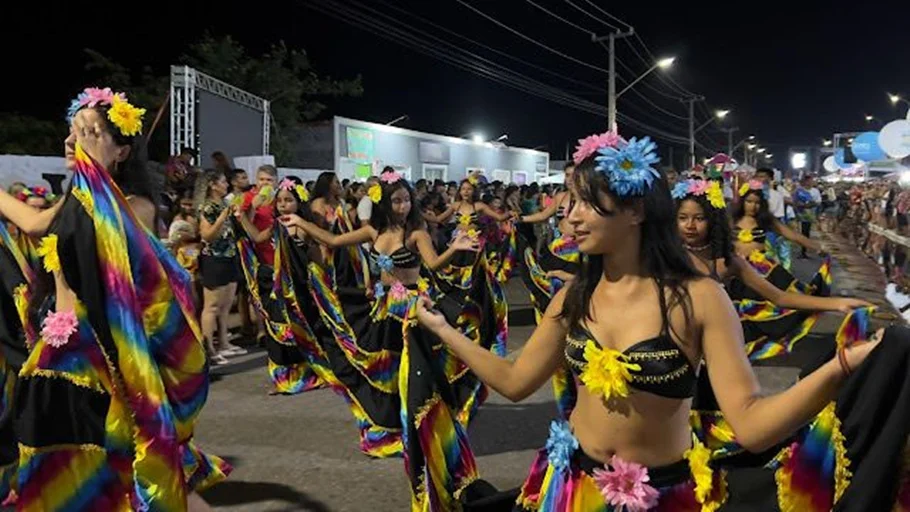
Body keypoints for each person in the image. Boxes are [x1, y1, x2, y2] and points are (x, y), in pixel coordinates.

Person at [416, 133, 883, 511]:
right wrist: (443, 330)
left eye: (585, 203)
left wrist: (843, 364)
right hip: (570, 489)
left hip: (665, 498)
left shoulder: (701, 299)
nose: (570, 218)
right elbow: (516, 381)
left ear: (636, 209)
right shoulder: (574, 296)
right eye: (568, 204)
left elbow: (752, 426)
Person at [0, 87, 228, 509]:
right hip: (55, 360)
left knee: (127, 472)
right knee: (59, 473)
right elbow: (33, 223)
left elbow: (128, 281)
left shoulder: (132, 208)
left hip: (101, 365)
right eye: (71, 132)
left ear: (121, 151)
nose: (72, 142)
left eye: (87, 132)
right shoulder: (74, 200)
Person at [280, 171, 499, 509]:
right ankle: (394, 427)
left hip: (413, 308)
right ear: (383, 202)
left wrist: (455, 248)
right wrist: (300, 222)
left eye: (406, 199)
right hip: (385, 307)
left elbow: (434, 265)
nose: (403, 205)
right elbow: (335, 241)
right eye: (396, 200)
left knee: (413, 371)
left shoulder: (416, 233)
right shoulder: (373, 230)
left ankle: (419, 425)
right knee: (383, 367)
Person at [673, 177, 869, 360]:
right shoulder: (666, 257)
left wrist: (837, 303)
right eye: (683, 217)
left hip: (712, 347)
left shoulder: (730, 261)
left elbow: (780, 297)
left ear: (712, 221)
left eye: (699, 218)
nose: (690, 225)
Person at [196, 168, 244, 364]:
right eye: (223, 182)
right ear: (212, 185)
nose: (226, 185)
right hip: (214, 258)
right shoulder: (208, 208)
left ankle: (224, 341)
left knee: (225, 305)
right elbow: (206, 236)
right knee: (212, 306)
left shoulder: (225, 203)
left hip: (229, 255)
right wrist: (223, 217)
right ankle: (209, 348)